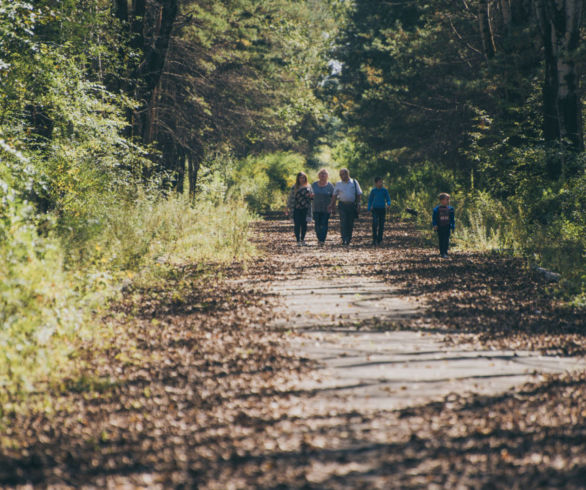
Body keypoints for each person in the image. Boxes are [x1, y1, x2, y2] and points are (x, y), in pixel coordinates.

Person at [328, 168, 362, 246]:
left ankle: (348, 238)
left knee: (350, 222)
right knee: (343, 222)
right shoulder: (338, 183)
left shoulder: (354, 182)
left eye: (343, 174)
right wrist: (332, 205)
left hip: (351, 205)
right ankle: (344, 239)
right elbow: (334, 195)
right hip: (342, 205)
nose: (342, 176)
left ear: (347, 174)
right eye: (340, 175)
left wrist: (359, 204)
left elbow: (359, 194)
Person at [287, 172, 313, 246]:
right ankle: (298, 240)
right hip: (296, 208)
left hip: (306, 208)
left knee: (304, 224)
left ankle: (303, 239)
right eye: (301, 177)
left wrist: (311, 196)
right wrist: (287, 207)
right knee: (297, 224)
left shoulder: (309, 186)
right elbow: (290, 198)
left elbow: (312, 197)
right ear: (298, 178)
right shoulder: (294, 187)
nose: (302, 179)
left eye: (304, 177)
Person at [311, 169, 334, 246]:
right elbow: (309, 195)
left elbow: (333, 197)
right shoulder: (314, 185)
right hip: (316, 208)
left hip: (326, 208)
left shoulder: (330, 186)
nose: (323, 175)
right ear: (318, 175)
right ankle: (319, 238)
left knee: (324, 223)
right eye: (321, 174)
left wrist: (332, 207)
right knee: (317, 223)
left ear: (327, 176)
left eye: (324, 174)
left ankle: (322, 239)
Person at [367, 176, 391, 246]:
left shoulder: (384, 190)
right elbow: (370, 200)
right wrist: (369, 208)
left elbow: (388, 199)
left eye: (381, 182)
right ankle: (374, 239)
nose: (381, 183)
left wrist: (388, 204)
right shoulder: (373, 191)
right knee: (375, 223)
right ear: (376, 183)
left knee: (381, 224)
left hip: (382, 209)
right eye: (379, 182)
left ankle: (380, 239)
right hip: (375, 209)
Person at [432, 192, 455, 258]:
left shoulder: (451, 209)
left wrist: (453, 226)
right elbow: (434, 218)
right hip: (440, 226)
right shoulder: (436, 209)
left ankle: (445, 252)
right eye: (447, 199)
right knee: (441, 239)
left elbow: (452, 218)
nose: (448, 201)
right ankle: (442, 252)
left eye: (448, 199)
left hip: (447, 226)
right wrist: (435, 225)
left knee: (446, 239)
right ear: (441, 200)